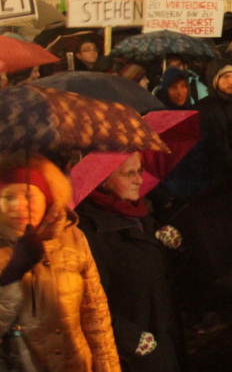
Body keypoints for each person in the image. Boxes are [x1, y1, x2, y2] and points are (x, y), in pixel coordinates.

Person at [0, 154, 120, 371]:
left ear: (47, 197)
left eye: (29, 196)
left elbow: (96, 316)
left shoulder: (71, 237)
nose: (18, 205)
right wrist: (10, 275)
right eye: (8, 197)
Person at [76, 153, 183, 371]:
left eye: (140, 170)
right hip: (134, 354)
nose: (139, 180)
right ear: (103, 179)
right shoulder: (89, 231)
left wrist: (174, 247)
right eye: (129, 173)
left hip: (163, 334)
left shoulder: (137, 213)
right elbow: (89, 302)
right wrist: (129, 339)